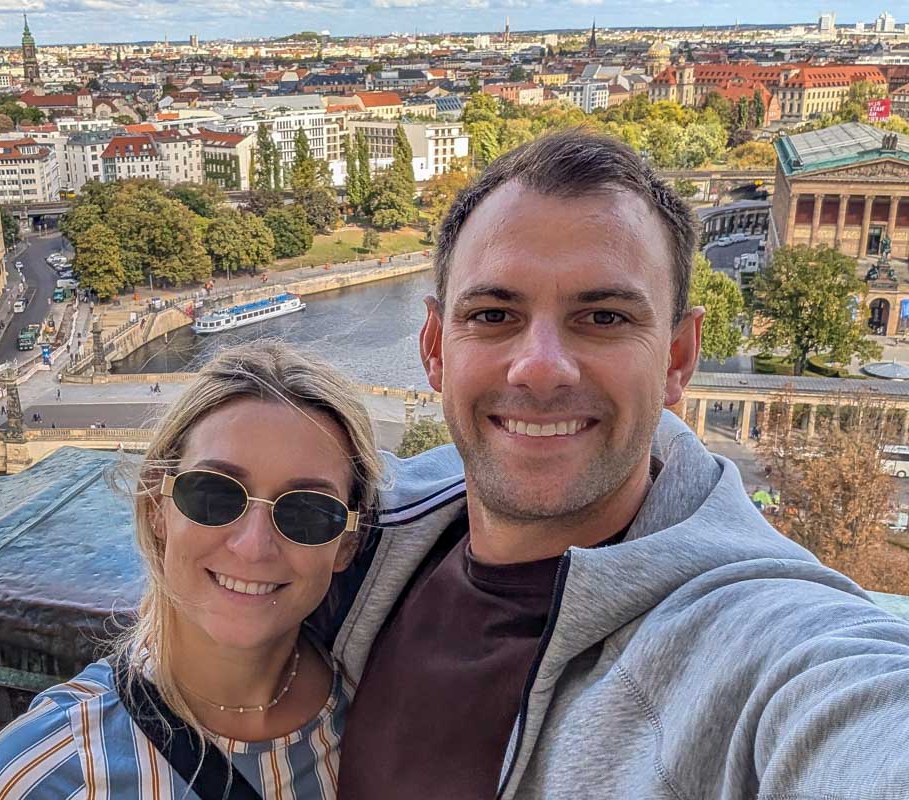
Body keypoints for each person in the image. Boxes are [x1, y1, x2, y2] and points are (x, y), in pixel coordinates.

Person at [331, 130, 909, 798]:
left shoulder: (753, 639)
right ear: (434, 348)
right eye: (493, 314)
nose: (541, 367)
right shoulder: (353, 537)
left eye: (603, 317)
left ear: (678, 358)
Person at [0, 342, 382, 799]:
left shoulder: (387, 723)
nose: (253, 545)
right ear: (157, 508)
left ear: (348, 541)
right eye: (214, 495)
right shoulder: (51, 775)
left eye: (307, 510)